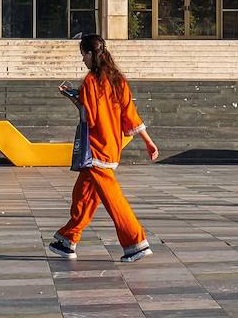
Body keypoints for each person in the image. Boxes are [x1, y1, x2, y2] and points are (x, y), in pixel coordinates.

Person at [46, 34, 158, 263]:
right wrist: (148, 141)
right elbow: (130, 115)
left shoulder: (90, 81)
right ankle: (68, 240)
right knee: (83, 196)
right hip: (111, 146)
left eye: (83, 55)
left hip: (96, 148)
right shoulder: (118, 80)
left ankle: (136, 242)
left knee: (112, 198)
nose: (83, 60)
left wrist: (74, 98)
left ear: (90, 54)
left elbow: (90, 116)